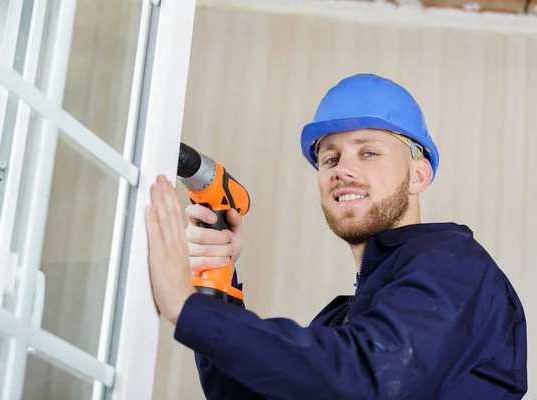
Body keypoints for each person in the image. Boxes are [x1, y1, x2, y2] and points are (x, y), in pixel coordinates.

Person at [145, 73, 527, 399]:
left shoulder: (454, 267)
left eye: (369, 153)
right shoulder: (339, 323)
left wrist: (185, 307)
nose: (343, 169)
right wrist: (217, 282)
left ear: (418, 175)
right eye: (330, 158)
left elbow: (370, 378)